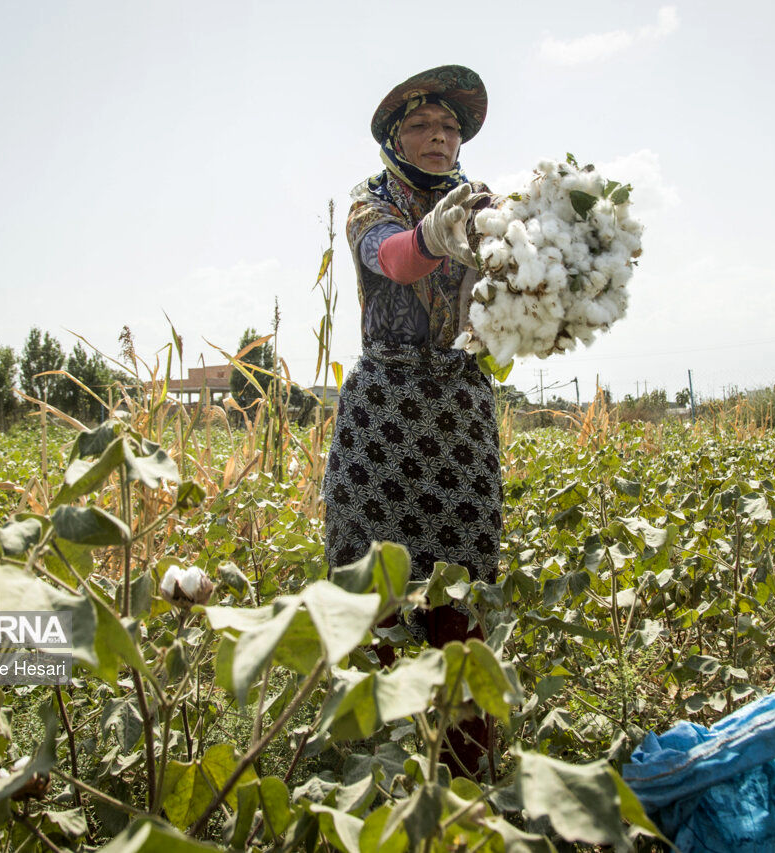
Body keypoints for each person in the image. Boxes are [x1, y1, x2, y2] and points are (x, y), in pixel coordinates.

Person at [322, 65, 501, 778]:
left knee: (464, 586)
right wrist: (436, 232)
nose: (440, 136)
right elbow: (395, 260)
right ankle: (385, 767)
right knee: (379, 590)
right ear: (395, 136)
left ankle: (463, 772)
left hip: (458, 413)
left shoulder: (484, 206)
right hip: (385, 413)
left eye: (450, 127)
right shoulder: (372, 204)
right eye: (424, 126)